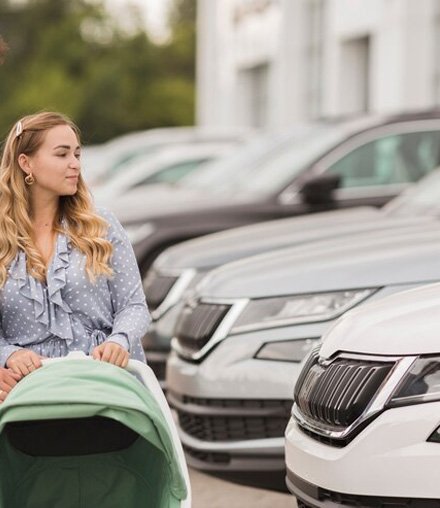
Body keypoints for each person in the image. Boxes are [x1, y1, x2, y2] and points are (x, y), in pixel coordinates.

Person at [0, 111, 151, 389]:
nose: (75, 165)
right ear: (26, 162)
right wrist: (9, 354)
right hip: (28, 390)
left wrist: (119, 340)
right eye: (62, 155)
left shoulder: (101, 225)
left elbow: (134, 307)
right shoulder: (2, 237)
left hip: (103, 381)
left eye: (77, 155)